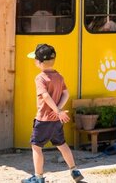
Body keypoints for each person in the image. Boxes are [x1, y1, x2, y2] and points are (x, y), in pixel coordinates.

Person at [23, 43, 83, 183]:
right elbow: (66, 94)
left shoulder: (40, 78)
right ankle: (74, 170)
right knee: (62, 144)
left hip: (43, 119)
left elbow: (45, 96)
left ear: (39, 62)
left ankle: (38, 177)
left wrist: (57, 110)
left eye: (35, 59)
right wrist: (58, 110)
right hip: (56, 120)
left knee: (36, 147)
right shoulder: (59, 76)